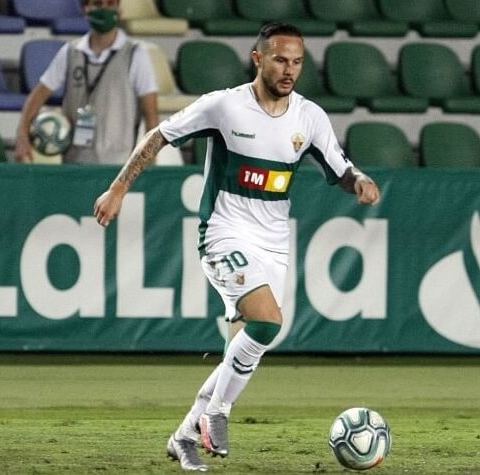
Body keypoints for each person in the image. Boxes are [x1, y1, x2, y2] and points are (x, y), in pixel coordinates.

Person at [93, 22, 381, 472]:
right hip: (223, 232)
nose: (289, 70)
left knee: (242, 350)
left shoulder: (308, 117)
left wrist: (360, 181)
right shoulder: (225, 106)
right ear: (258, 58)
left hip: (273, 244)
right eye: (280, 59)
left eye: (297, 62)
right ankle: (215, 414)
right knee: (268, 321)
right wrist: (117, 189)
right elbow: (159, 136)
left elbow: (340, 167)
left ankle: (183, 437)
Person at [15, 0, 159, 165]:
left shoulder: (135, 54)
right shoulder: (71, 52)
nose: (104, 9)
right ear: (85, 9)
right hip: (75, 166)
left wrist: (149, 162)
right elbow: (39, 94)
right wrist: (22, 135)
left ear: (119, 9)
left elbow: (151, 114)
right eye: (98, 3)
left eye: (110, 3)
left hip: (119, 167)